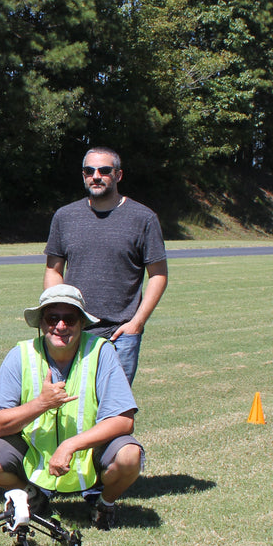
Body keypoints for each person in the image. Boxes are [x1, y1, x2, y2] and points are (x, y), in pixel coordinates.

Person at [0, 284, 142, 530]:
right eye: (52, 318)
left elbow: (124, 421)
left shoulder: (102, 352)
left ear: (81, 323)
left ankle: (103, 502)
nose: (60, 326)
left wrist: (70, 445)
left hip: (89, 455)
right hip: (34, 454)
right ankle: (31, 496)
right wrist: (41, 404)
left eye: (69, 319)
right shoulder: (21, 354)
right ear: (41, 323)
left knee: (130, 456)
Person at [44, 147, 167, 384]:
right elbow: (53, 270)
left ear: (118, 175)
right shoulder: (65, 216)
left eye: (104, 170)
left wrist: (137, 323)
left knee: (115, 413)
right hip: (71, 330)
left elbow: (158, 275)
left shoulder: (144, 218)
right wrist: (58, 316)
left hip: (120, 335)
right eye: (89, 170)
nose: (96, 176)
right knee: (68, 406)